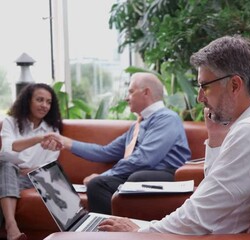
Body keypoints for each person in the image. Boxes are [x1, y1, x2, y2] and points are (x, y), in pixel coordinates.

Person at [97, 35, 250, 234]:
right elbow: (214, 194)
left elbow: (197, 217)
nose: (200, 97)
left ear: (235, 85)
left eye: (205, 86)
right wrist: (215, 138)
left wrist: (141, 231)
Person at [50, 72, 191, 214]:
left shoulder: (167, 119)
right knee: (98, 185)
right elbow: (105, 152)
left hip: (165, 175)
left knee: (132, 178)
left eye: (130, 92)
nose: (126, 98)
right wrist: (67, 143)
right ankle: (107, 230)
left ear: (146, 92)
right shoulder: (137, 126)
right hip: (138, 176)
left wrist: (105, 175)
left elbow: (144, 159)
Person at [0, 83, 63, 240]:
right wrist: (37, 139)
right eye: (39, 100)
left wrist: (29, 169)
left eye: (48, 102)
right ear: (28, 101)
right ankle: (11, 225)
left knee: (6, 171)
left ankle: (10, 226)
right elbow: (6, 152)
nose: (44, 105)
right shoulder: (10, 122)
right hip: (9, 172)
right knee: (7, 168)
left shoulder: (52, 130)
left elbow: (50, 163)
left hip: (32, 178)